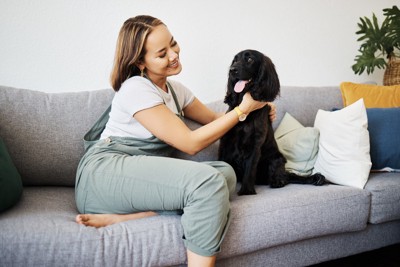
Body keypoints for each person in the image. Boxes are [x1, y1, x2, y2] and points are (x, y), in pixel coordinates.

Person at [75, 15, 276, 267]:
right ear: (140, 62)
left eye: (174, 43)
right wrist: (241, 111)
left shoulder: (177, 91)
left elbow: (218, 122)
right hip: (104, 175)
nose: (174, 55)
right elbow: (190, 143)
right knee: (208, 182)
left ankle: (129, 216)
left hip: (139, 181)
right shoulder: (136, 88)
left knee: (226, 173)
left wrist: (256, 110)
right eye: (162, 53)